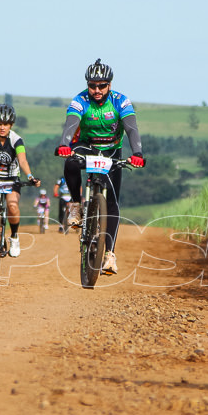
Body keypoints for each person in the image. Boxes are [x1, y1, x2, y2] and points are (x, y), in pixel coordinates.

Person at [55, 58, 145, 276]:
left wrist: (138, 153)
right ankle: (76, 204)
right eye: (92, 85)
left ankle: (110, 254)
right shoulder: (80, 100)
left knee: (112, 202)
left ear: (109, 85)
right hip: (87, 146)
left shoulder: (120, 101)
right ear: (87, 84)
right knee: (70, 162)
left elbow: (131, 129)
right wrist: (64, 145)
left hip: (112, 151)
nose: (97, 90)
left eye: (102, 86)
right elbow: (71, 124)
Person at [0, 103, 39, 258]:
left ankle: (14, 237)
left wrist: (30, 176)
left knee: (12, 206)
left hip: (11, 179)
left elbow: (22, 161)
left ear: (11, 125)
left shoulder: (16, 140)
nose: (2, 127)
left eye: (6, 124)